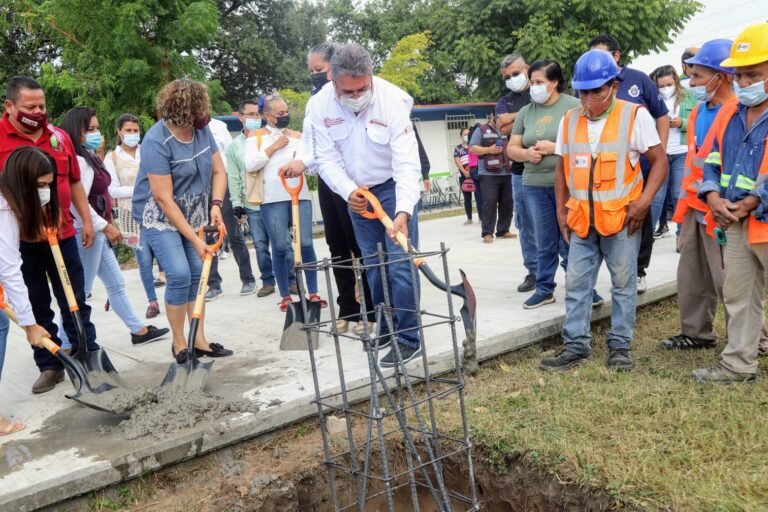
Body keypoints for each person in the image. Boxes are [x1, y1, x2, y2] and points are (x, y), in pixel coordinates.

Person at [540, 49, 667, 372]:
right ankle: (576, 346)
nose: (588, 100)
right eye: (582, 92)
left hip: (623, 220)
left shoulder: (634, 116)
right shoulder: (569, 120)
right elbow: (562, 170)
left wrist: (643, 203)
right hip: (581, 220)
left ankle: (620, 346)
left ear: (614, 86)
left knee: (623, 285)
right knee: (576, 284)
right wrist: (561, 212)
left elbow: (660, 162)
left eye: (596, 91)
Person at [309, 43, 423, 367]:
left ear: (371, 74)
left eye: (363, 88)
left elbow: (407, 162)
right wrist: (349, 192)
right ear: (333, 80)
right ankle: (386, 326)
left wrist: (403, 210)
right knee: (373, 266)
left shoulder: (392, 100)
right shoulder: (320, 105)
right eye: (349, 91)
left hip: (392, 188)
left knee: (400, 265)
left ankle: (409, 337)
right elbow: (326, 159)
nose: (357, 96)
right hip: (356, 194)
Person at [0, 76, 101, 394]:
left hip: (63, 233)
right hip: (20, 240)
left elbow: (74, 182)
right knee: (35, 302)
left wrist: (86, 220)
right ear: (10, 106)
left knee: (74, 298)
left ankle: (87, 353)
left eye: (41, 106)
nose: (38, 112)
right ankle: (50, 364)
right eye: (30, 107)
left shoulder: (58, 137)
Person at [131, 79, 233, 361]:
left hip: (194, 210)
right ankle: (179, 343)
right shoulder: (156, 141)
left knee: (197, 273)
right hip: (161, 217)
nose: (206, 115)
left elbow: (218, 171)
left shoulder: (202, 131)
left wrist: (216, 204)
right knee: (178, 273)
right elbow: (164, 199)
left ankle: (198, 340)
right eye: (201, 110)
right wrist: (196, 240)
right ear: (185, 111)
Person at [280, 43, 373, 334]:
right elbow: (311, 141)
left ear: (336, 67)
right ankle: (348, 308)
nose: (315, 75)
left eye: (319, 69)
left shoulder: (351, 98)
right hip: (327, 181)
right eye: (311, 71)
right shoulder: (315, 102)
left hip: (351, 181)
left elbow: (336, 145)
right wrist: (299, 160)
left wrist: (305, 161)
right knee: (337, 246)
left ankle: (371, 307)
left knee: (360, 246)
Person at [694, 24, 768, 383]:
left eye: (754, 74)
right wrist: (712, 197)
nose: (744, 82)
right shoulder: (730, 112)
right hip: (735, 221)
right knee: (739, 295)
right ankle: (739, 364)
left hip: (757, 217)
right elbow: (710, 159)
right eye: (739, 75)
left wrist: (750, 202)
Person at [60, 107, 169, 346]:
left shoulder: (88, 157)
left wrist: (105, 225)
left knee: (116, 283)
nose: (96, 133)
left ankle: (138, 330)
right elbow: (77, 202)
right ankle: (64, 345)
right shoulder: (79, 161)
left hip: (97, 230)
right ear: (75, 131)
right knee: (80, 291)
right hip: (87, 232)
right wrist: (104, 226)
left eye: (97, 128)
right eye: (90, 129)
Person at [590, 35, 670, 294]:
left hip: (642, 165)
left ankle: (639, 270)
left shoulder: (638, 80)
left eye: (602, 55)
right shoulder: (590, 84)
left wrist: (659, 150)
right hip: (607, 171)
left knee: (641, 217)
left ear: (616, 55)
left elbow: (661, 115)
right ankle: (619, 270)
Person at [508, 60, 580, 308]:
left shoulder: (573, 107)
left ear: (554, 82)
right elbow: (512, 148)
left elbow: (588, 142)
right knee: (544, 240)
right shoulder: (526, 112)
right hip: (534, 185)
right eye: (532, 82)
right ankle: (544, 288)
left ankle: (581, 287)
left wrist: (556, 147)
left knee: (571, 239)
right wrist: (526, 154)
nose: (534, 87)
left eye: (539, 82)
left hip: (569, 185)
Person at [244, 93, 325, 312]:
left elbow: (310, 162)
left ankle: (313, 292)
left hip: (300, 195)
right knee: (280, 246)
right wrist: (275, 146)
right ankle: (286, 296)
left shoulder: (297, 135)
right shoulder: (255, 137)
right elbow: (250, 165)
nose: (285, 115)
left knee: (305, 244)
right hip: (272, 199)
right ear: (267, 115)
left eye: (287, 111)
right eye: (280, 113)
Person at [0, 147, 58, 434]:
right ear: (22, 182)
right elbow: (10, 269)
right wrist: (30, 324)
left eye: (48, 185)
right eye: (40, 185)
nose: (45, 192)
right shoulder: (4, 208)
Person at [228, 99, 297, 299]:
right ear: (240, 117)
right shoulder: (235, 147)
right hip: (253, 201)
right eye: (250, 114)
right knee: (260, 245)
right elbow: (234, 176)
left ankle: (291, 280)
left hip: (273, 199)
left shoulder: (270, 137)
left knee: (284, 243)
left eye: (256, 114)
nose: (255, 118)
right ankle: (267, 281)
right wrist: (237, 203)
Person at [104, 113, 165, 319]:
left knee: (166, 254)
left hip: (158, 209)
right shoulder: (112, 158)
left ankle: (176, 296)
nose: (132, 134)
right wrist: (142, 189)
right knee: (144, 259)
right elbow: (112, 189)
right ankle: (152, 301)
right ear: (119, 132)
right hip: (131, 216)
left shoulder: (148, 150)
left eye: (135, 130)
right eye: (128, 130)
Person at [204, 117, 257, 301]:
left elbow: (229, 156)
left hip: (221, 184)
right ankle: (213, 284)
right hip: (200, 187)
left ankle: (248, 279)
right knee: (207, 237)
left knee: (233, 234)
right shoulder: (186, 128)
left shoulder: (219, 127)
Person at [496, 53, 534, 289]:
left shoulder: (541, 90)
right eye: (507, 77)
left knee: (559, 220)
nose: (512, 79)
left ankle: (571, 270)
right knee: (525, 224)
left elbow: (551, 116)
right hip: (520, 171)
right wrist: (532, 114)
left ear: (527, 68)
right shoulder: (504, 101)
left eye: (516, 73)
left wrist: (514, 119)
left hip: (551, 168)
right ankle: (534, 271)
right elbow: (502, 127)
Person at [649, 65, 697, 240]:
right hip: (660, 152)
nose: (665, 89)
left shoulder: (689, 96)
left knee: (679, 195)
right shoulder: (653, 98)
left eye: (668, 84)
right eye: (661, 86)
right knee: (656, 196)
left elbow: (698, 119)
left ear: (676, 81)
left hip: (681, 151)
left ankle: (681, 236)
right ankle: (647, 236)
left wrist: (681, 123)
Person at [469, 113, 516, 243]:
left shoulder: (509, 129)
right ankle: (487, 232)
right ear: (491, 116)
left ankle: (503, 230)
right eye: (498, 117)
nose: (501, 120)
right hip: (488, 174)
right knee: (489, 203)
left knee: (507, 203)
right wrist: (489, 150)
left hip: (507, 172)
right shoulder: (481, 130)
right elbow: (472, 148)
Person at [453, 127, 477, 224]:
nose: (467, 136)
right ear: (461, 136)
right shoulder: (458, 148)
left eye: (468, 134)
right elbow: (457, 160)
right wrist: (464, 172)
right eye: (465, 135)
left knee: (479, 196)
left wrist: (472, 172)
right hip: (463, 175)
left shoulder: (474, 146)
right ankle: (469, 218)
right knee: (467, 198)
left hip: (475, 173)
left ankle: (481, 217)